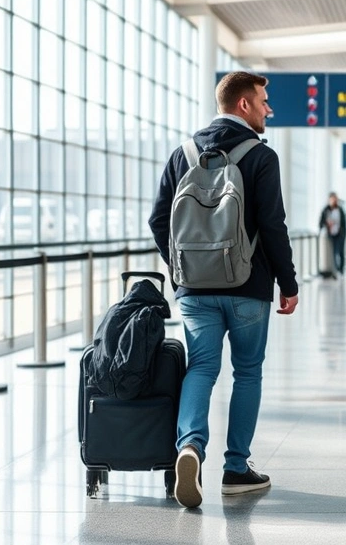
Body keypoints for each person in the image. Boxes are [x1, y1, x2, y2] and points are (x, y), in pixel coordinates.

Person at [148, 71, 300, 509]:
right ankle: (236, 469)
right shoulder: (260, 156)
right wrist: (287, 284)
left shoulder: (183, 154)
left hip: (194, 287)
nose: (269, 109)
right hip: (248, 286)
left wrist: (181, 272)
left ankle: (190, 448)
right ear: (243, 105)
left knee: (202, 368)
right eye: (264, 101)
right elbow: (273, 226)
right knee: (247, 372)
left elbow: (159, 221)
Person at [318, 192, 346, 275]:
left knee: (340, 251)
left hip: (340, 234)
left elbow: (344, 223)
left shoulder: (340, 210)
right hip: (331, 234)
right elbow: (321, 222)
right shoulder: (325, 210)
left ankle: (341, 270)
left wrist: (343, 233)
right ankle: (335, 269)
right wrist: (327, 224)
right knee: (334, 252)